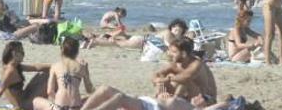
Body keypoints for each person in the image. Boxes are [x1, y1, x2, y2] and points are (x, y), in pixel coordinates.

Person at [152, 38, 217, 104]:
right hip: (189, 96)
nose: (169, 54)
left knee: (181, 80)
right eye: (170, 51)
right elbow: (157, 75)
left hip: (206, 98)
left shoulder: (196, 63)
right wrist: (159, 82)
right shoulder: (175, 64)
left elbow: (186, 78)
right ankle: (160, 99)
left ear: (183, 54)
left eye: (174, 52)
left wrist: (167, 79)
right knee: (163, 80)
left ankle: (174, 100)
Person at [0, 41, 51, 110]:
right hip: (22, 105)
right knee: (48, 78)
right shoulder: (10, 71)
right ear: (14, 53)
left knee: (43, 74)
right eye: (22, 52)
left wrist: (56, 66)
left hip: (24, 97)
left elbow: (36, 67)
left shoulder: (15, 66)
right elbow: (0, 90)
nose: (23, 54)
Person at [80, 85, 228, 110]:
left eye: (202, 97)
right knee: (105, 89)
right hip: (145, 102)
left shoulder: (194, 109)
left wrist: (227, 103)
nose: (198, 95)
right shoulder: (185, 101)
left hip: (149, 108)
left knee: (119, 97)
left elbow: (223, 105)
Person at [46, 38, 94, 110]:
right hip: (75, 106)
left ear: (62, 50)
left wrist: (54, 102)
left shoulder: (55, 66)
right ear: (77, 52)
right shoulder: (82, 66)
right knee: (89, 98)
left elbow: (50, 91)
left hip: (59, 106)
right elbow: (89, 90)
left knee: (37, 100)